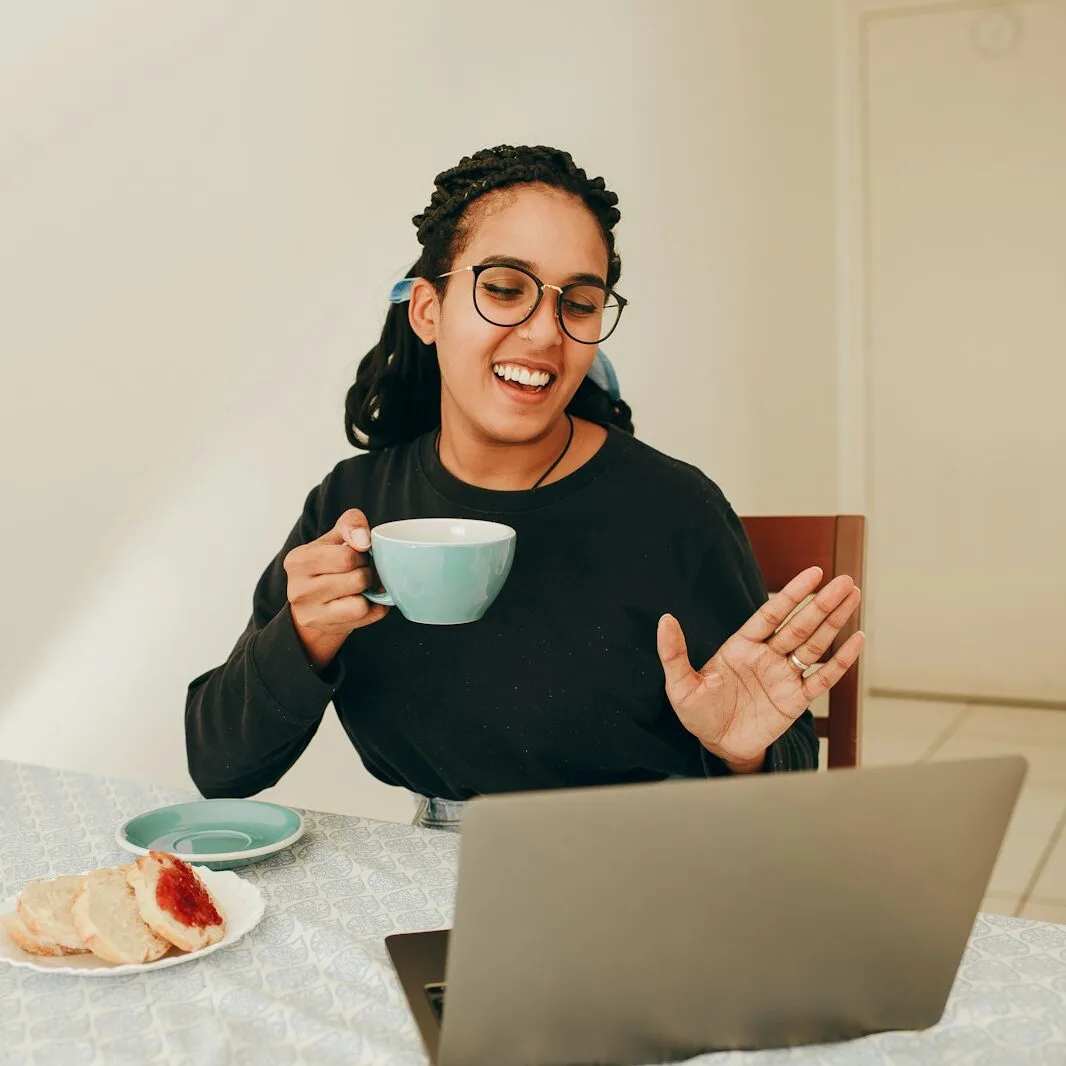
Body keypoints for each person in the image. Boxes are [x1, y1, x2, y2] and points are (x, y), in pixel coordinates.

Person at [185, 144, 864, 831]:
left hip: (647, 867)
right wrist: (302, 636)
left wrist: (738, 754)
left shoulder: (674, 511)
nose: (545, 331)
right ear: (427, 310)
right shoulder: (352, 507)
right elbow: (220, 768)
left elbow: (783, 769)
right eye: (506, 288)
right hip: (431, 869)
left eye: (580, 302)